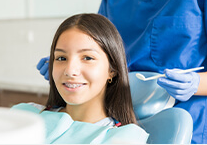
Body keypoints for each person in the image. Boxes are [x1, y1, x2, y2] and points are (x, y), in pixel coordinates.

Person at [37, 0, 207, 144]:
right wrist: (68, 63)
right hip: (115, 121)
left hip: (186, 122)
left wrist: (196, 83)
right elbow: (97, 45)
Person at [13, 13, 149, 144]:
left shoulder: (124, 138)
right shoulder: (25, 115)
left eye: (88, 58)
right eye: (61, 58)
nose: (70, 70)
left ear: (112, 70)